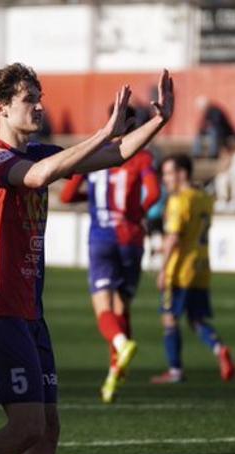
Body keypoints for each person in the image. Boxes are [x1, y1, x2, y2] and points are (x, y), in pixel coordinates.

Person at [0, 64, 173, 454]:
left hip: (29, 311)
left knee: (47, 428)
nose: (40, 105)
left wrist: (158, 121)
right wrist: (103, 132)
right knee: (26, 427)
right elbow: (40, 178)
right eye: (30, 99)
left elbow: (116, 154)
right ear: (2, 109)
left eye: (39, 96)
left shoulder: (40, 152)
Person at [59, 105, 162, 403]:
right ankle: (115, 371)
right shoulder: (142, 156)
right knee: (122, 306)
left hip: (102, 237)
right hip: (131, 237)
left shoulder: (94, 154)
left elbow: (66, 195)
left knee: (103, 307)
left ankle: (120, 344)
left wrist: (90, 197)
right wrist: (136, 214)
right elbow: (154, 194)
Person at [150, 154, 235, 384]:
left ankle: (175, 370)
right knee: (196, 320)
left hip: (180, 269)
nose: (165, 178)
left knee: (169, 319)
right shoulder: (204, 197)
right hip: (202, 267)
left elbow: (174, 237)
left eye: (169, 173)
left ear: (182, 173)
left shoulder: (180, 201)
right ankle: (219, 348)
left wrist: (163, 269)